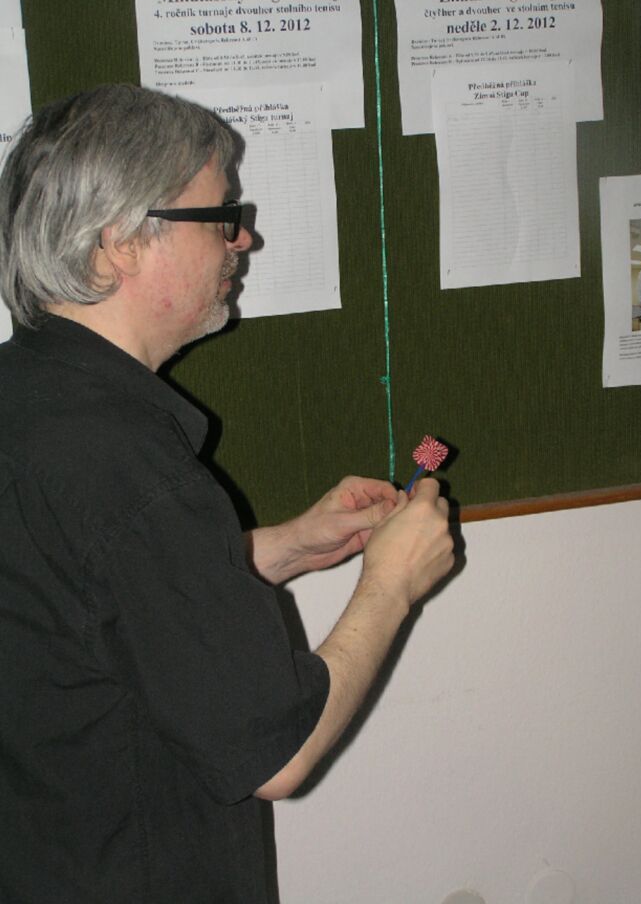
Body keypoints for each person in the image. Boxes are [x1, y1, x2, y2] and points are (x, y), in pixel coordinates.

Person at [0, 84, 455, 903]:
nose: (243, 238)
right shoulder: (129, 465)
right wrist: (392, 583)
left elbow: (90, 601)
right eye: (220, 216)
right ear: (118, 245)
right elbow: (277, 755)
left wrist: (284, 547)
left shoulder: (27, 397)